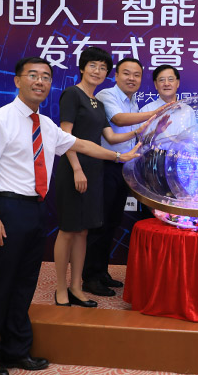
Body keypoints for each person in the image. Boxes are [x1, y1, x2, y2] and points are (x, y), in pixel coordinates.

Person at [0, 57, 140, 375]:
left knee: (25, 283)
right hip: (7, 208)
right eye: (33, 75)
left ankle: (17, 349)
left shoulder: (46, 124)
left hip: (37, 208)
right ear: (17, 80)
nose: (40, 82)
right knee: (1, 284)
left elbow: (83, 145)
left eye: (46, 77)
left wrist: (120, 155)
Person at [53, 48, 153, 307]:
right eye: (93, 66)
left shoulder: (96, 101)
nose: (97, 71)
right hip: (77, 168)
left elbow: (110, 137)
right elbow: (65, 137)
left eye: (102, 68)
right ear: (82, 67)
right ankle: (67, 287)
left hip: (97, 167)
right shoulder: (73, 94)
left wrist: (139, 133)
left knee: (88, 229)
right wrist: (77, 169)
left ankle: (81, 283)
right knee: (70, 230)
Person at [83, 58, 165, 297]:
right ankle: (90, 277)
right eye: (127, 73)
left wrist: (155, 130)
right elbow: (118, 120)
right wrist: (156, 112)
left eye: (137, 75)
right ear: (116, 75)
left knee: (112, 222)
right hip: (105, 165)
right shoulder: (107, 95)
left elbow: (134, 134)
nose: (132, 78)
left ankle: (101, 272)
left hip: (124, 166)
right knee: (100, 223)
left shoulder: (133, 101)